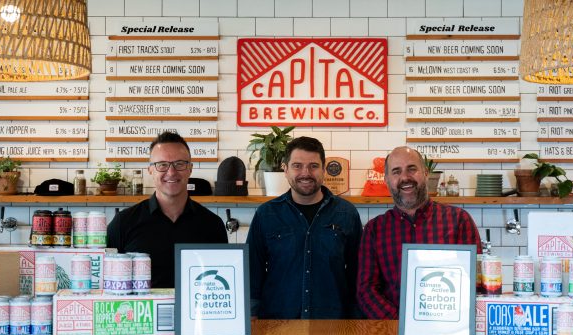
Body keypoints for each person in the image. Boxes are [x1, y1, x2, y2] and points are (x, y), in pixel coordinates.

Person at [357, 146, 482, 319]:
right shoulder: (374, 230)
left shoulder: (458, 220)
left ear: (425, 173)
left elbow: (476, 281)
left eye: (412, 169)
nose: (405, 177)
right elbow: (366, 291)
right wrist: (402, 324)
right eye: (396, 171)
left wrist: (450, 320)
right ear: (387, 180)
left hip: (449, 330)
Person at [247, 136, 363, 319]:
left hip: (333, 324)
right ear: (285, 169)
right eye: (297, 166)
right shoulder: (266, 214)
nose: (305, 173)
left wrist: (356, 320)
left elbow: (357, 273)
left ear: (324, 170)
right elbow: (253, 271)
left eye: (313, 166)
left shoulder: (347, 213)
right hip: (277, 323)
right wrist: (251, 316)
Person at [107, 131, 227, 288]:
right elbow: (105, 280)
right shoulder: (123, 223)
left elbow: (223, 280)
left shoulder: (213, 225)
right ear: (150, 170)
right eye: (162, 164)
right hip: (140, 312)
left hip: (195, 312)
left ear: (190, 168)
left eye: (179, 164)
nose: (171, 172)